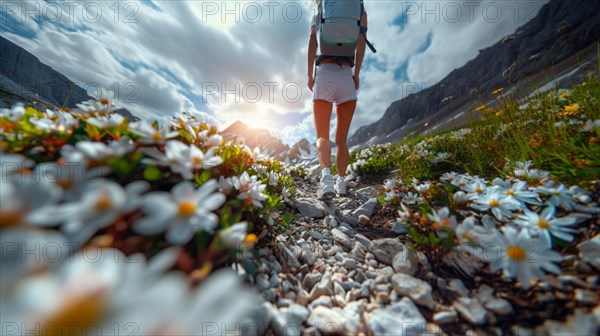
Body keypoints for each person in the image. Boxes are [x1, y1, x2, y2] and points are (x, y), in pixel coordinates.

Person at [307, 0, 368, 200]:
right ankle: (341, 183)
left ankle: (326, 179)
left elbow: (313, 41)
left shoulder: (322, 6)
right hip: (346, 76)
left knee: (322, 136)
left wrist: (310, 75)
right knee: (342, 140)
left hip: (324, 73)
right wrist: (356, 74)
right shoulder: (358, 7)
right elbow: (360, 45)